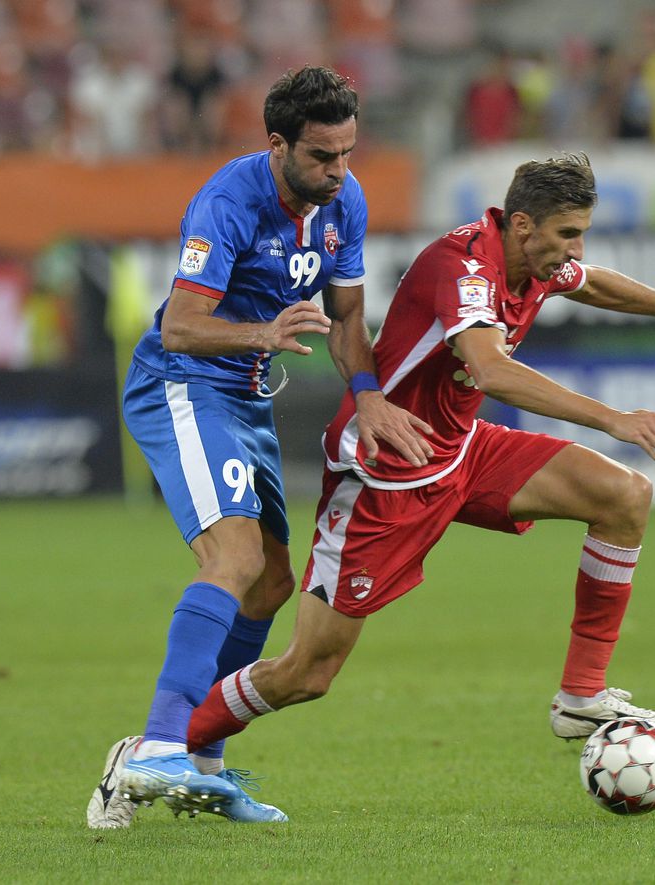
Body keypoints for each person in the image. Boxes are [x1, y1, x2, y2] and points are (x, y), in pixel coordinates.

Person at [179, 153, 655, 801]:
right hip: (386, 472)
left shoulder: (536, 260)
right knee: (307, 671)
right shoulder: (463, 267)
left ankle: (580, 695)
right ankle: (166, 747)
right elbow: (490, 369)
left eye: (581, 233)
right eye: (567, 233)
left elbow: (592, 281)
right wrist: (612, 418)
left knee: (623, 494)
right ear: (522, 224)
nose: (575, 249)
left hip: (461, 450)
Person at [85, 65, 433, 829]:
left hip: (244, 394)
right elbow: (178, 324)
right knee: (233, 561)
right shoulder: (229, 201)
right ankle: (153, 749)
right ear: (277, 145)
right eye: (322, 157)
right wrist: (263, 334)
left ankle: (202, 764)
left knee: (273, 582)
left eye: (348, 154)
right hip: (183, 382)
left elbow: (346, 320)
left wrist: (368, 396)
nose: (339, 172)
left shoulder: (346, 203)